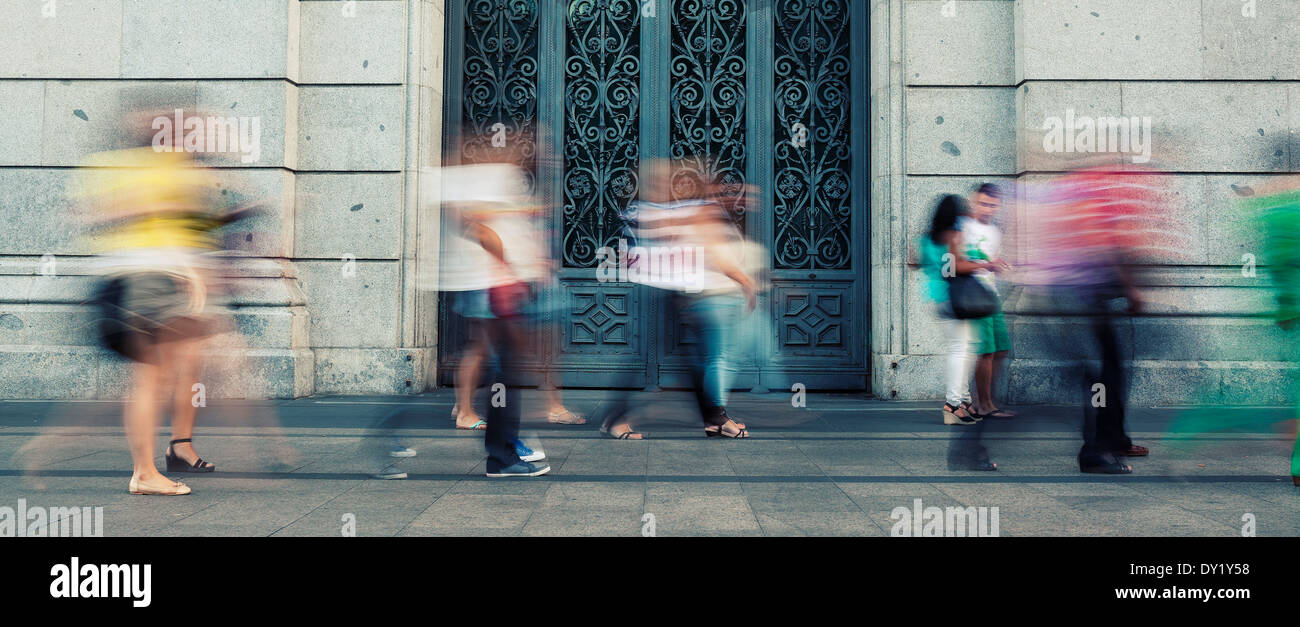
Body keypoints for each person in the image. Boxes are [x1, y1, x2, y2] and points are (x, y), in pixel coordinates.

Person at [916, 195, 1003, 427]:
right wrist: (984, 264)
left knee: (963, 347)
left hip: (939, 298)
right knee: (961, 350)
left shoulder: (926, 239)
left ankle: (962, 401)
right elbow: (956, 267)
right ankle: (953, 404)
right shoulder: (953, 236)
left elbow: (917, 263)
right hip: (956, 298)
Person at [961, 183, 1015, 419]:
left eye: (993, 205)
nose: (988, 209)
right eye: (983, 204)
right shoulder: (963, 227)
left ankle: (985, 400)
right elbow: (956, 264)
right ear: (974, 201)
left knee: (1001, 349)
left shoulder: (994, 232)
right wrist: (987, 265)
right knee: (986, 351)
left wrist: (998, 265)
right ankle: (984, 405)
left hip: (991, 295)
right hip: (972, 295)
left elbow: (989, 261)